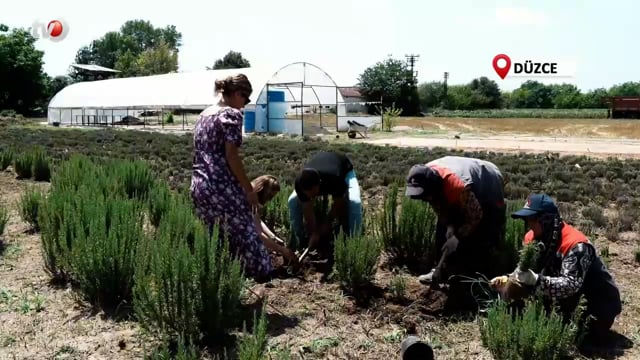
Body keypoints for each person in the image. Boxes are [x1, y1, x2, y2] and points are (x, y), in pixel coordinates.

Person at [490, 193, 622, 345]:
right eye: (526, 220)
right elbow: (524, 271)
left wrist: (536, 280)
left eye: (532, 219)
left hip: (597, 305)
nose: (528, 224)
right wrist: (508, 279)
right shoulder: (531, 238)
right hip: (568, 301)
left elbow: (570, 285)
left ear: (546, 219)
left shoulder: (576, 245)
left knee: (579, 339)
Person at [190, 73, 273, 281]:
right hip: (222, 187)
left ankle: (218, 281)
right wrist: (248, 189)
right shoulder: (230, 115)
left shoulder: (204, 115)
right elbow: (232, 156)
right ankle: (263, 277)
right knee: (247, 235)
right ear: (237, 94)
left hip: (200, 185)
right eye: (245, 99)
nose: (244, 105)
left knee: (215, 238)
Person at [404, 156, 506, 287]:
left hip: (488, 181)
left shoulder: (457, 186)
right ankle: (442, 270)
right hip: (460, 185)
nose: (425, 199)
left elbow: (475, 215)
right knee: (442, 230)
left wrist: (457, 237)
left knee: (485, 230)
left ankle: (483, 278)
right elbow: (439, 206)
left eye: (426, 196)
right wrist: (449, 226)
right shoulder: (423, 176)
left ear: (433, 187)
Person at [288, 151, 363, 249]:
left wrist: (324, 226)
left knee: (354, 202)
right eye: (307, 194)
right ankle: (298, 241)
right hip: (322, 163)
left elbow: (338, 205)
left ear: (319, 185)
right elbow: (308, 210)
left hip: (345, 169)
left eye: (312, 193)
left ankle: (354, 244)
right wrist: (314, 232)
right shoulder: (300, 183)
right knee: (292, 201)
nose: (310, 197)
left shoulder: (334, 179)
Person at [251, 175, 299, 266]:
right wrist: (281, 249)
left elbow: (257, 220)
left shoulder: (254, 201)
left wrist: (273, 237)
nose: (269, 200)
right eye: (269, 196)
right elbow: (258, 233)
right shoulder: (249, 199)